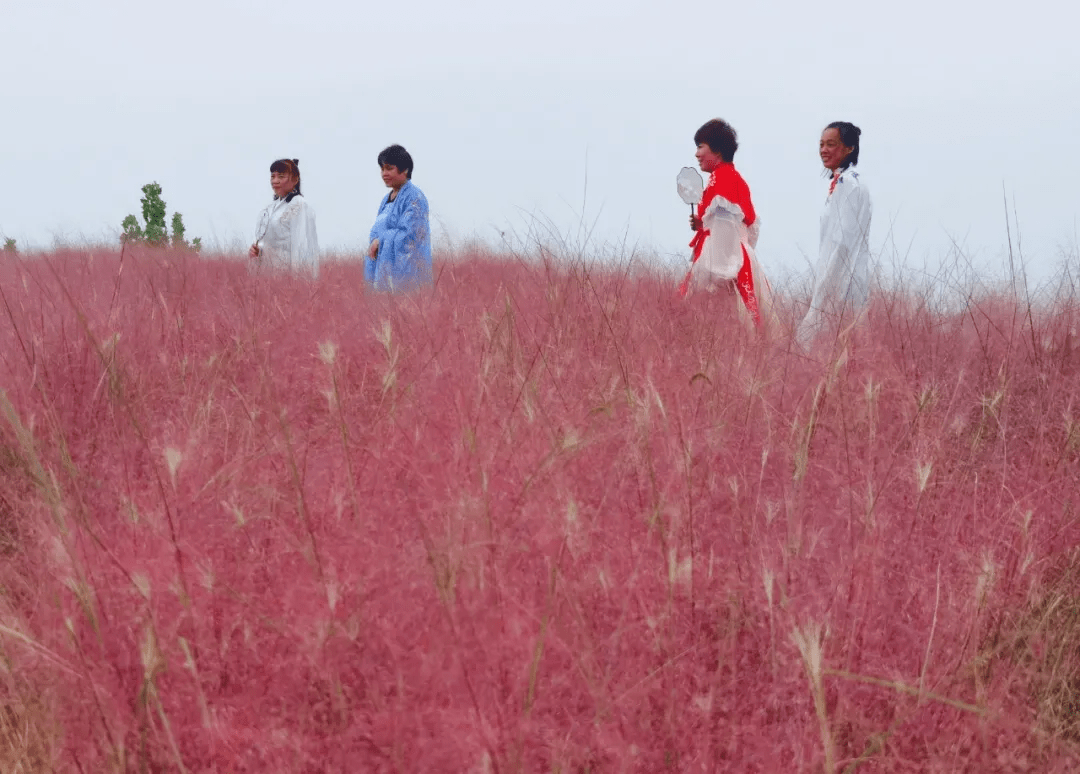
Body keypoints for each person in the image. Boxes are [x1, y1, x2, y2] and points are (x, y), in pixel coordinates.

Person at [680, 118, 767, 327]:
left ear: (717, 151)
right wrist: (703, 225)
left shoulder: (723, 180)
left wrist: (720, 273)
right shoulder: (733, 178)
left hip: (723, 258)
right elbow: (750, 226)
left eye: (700, 146)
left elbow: (726, 227)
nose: (696, 154)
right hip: (738, 255)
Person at [797, 122, 872, 348]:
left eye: (831, 144)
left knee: (813, 341)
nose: (824, 150)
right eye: (821, 144)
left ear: (849, 148)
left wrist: (826, 283)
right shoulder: (843, 181)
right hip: (843, 275)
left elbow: (842, 241)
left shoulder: (848, 183)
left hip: (841, 278)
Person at [367, 145, 431, 290]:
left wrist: (380, 241)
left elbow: (410, 236)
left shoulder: (414, 198)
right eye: (382, 169)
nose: (384, 173)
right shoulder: (386, 200)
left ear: (405, 169)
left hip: (407, 274)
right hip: (382, 273)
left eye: (389, 168)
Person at [248, 158, 320, 274]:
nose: (275, 181)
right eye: (273, 176)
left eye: (281, 177)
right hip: (267, 276)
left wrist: (300, 284)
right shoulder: (269, 209)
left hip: (288, 277)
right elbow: (266, 242)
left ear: (295, 179)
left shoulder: (299, 205)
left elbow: (303, 247)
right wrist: (257, 251)